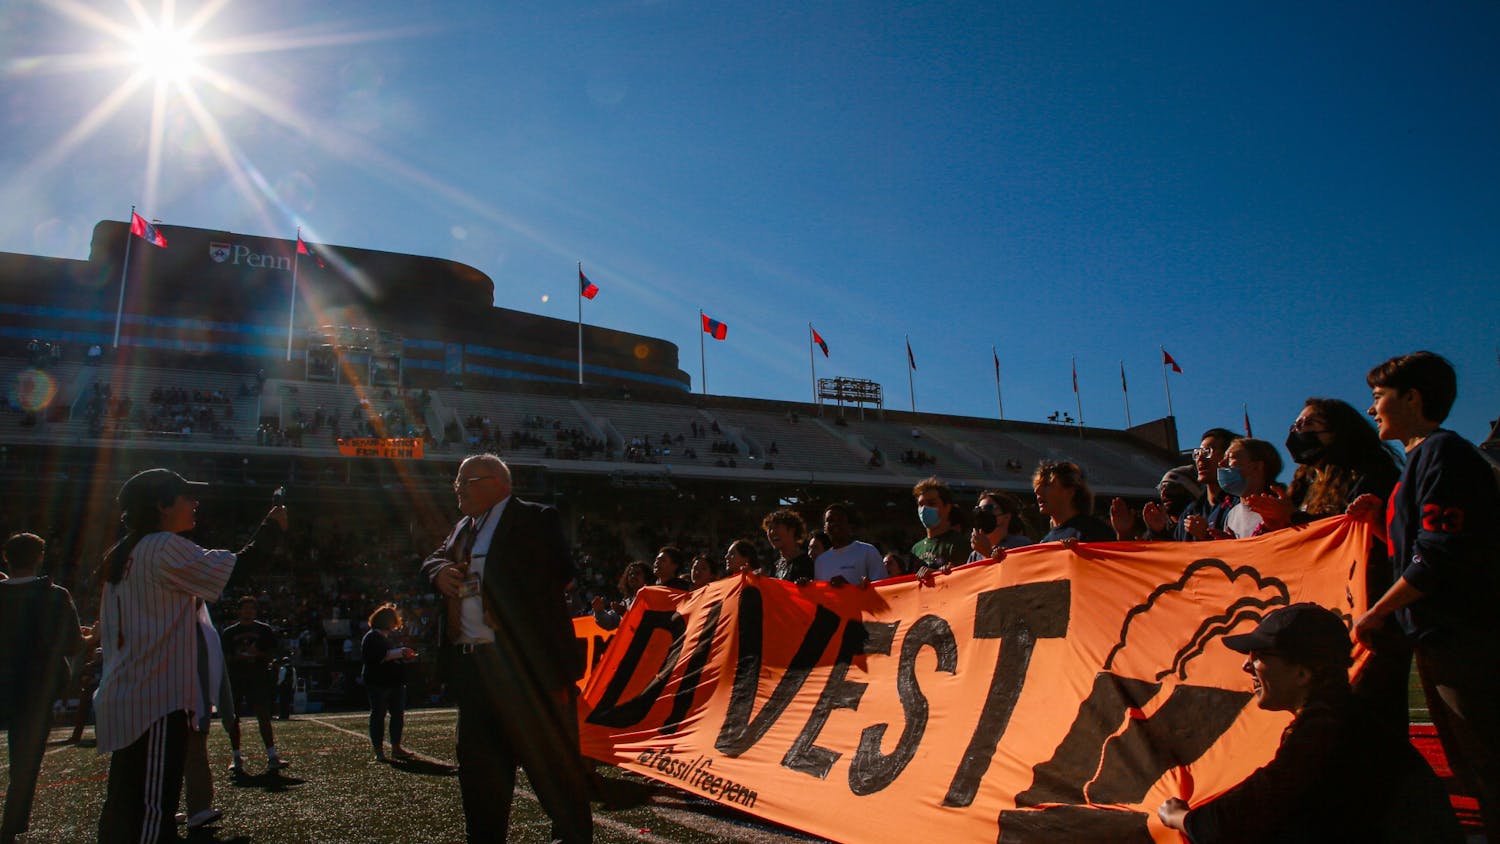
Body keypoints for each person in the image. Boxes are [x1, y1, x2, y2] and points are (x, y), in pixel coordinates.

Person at [1158, 603, 1460, 844]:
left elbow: (1249, 811)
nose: (1246, 665)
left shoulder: (1327, 729)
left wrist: (1184, 819)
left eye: (1260, 655)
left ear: (1303, 673)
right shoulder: (1343, 715)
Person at [1351, 351, 1500, 840]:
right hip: (1441, 637)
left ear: (1411, 398)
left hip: (1464, 637)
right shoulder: (1421, 462)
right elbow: (1414, 552)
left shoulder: (1442, 454)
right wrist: (1377, 526)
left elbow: (1438, 558)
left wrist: (1377, 611)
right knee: (1470, 758)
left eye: (1379, 397)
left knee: (1485, 757)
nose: (1372, 409)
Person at [94, 468, 285, 844]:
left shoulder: (124, 552)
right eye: (185, 497)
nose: (195, 504)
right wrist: (274, 527)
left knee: (124, 808)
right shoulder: (162, 546)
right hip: (156, 700)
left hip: (128, 693)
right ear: (161, 505)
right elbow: (239, 569)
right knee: (152, 813)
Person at [421, 454, 592, 843]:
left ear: (501, 483)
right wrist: (440, 571)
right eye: (457, 482)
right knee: (481, 783)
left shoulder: (536, 517)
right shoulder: (463, 527)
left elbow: (560, 573)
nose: (458, 488)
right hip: (476, 671)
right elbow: (433, 558)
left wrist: (486, 587)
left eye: (468, 480)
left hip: (529, 675)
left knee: (555, 778)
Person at [1243, 398, 1406, 739]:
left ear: (1338, 431)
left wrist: (1292, 519)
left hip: (1367, 602)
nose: (1296, 432)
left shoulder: (1371, 473)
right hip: (1321, 607)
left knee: (1371, 700)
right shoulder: (1302, 483)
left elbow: (1354, 534)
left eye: (1308, 425)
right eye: (1295, 425)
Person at [0, 533, 82, 844]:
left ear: (7, 558)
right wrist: (92, 638)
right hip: (36, 686)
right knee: (25, 760)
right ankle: (11, 824)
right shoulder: (55, 595)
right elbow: (72, 644)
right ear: (39, 557)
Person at [221, 595, 289, 775]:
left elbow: (271, 655)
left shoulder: (264, 630)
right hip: (236, 678)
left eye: (252, 608)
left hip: (258, 677)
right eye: (245, 608)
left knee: (263, 716)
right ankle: (236, 757)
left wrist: (257, 654)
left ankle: (272, 755)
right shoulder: (229, 632)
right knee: (233, 718)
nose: (248, 611)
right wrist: (239, 656)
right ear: (239, 610)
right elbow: (225, 658)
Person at [362, 603, 416, 762]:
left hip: (392, 682)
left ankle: (395, 747)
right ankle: (380, 750)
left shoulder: (381, 637)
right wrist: (401, 652)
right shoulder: (372, 637)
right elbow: (379, 656)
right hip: (379, 682)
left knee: (396, 716)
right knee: (379, 715)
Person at [1179, 428, 1239, 541]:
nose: (1200, 459)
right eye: (1197, 454)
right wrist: (1157, 532)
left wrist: (1207, 537)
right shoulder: (1190, 512)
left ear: (1227, 458)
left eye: (1207, 452)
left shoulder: (1239, 505)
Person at [1216, 438, 1282, 539]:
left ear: (1257, 467)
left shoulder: (1278, 511)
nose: (1221, 463)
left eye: (1231, 458)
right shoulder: (1232, 515)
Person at [1033, 460, 1113, 543]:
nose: (1036, 490)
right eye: (1037, 485)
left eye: (1046, 485)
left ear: (1069, 491)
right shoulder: (1046, 541)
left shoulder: (1095, 531)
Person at [816, 503, 886, 586]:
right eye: (830, 520)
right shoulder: (820, 561)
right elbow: (819, 594)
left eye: (840, 520)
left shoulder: (868, 551)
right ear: (825, 528)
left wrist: (849, 587)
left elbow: (882, 588)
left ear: (849, 526)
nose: (835, 524)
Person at [910, 476, 968, 572]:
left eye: (931, 503)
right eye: (921, 505)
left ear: (947, 507)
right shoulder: (916, 549)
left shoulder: (959, 544)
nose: (924, 509)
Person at [1134, 466, 1202, 541]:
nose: (1164, 493)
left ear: (1191, 492)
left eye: (1171, 487)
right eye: (1161, 488)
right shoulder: (1156, 528)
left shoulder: (1203, 526)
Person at [968, 490, 1032, 561]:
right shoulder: (975, 555)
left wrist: (988, 553)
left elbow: (1016, 570)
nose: (982, 514)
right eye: (979, 510)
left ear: (1006, 517)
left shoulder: (1021, 545)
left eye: (988, 508)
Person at [591, 561, 654, 631]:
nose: (633, 576)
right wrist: (599, 611)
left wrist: (624, 613)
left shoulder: (652, 599)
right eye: (630, 574)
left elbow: (648, 625)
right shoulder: (627, 602)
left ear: (646, 577)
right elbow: (610, 622)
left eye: (637, 573)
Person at [762, 508, 814, 582]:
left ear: (792, 530)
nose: (772, 532)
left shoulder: (807, 563)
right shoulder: (775, 564)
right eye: (770, 528)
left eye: (776, 527)